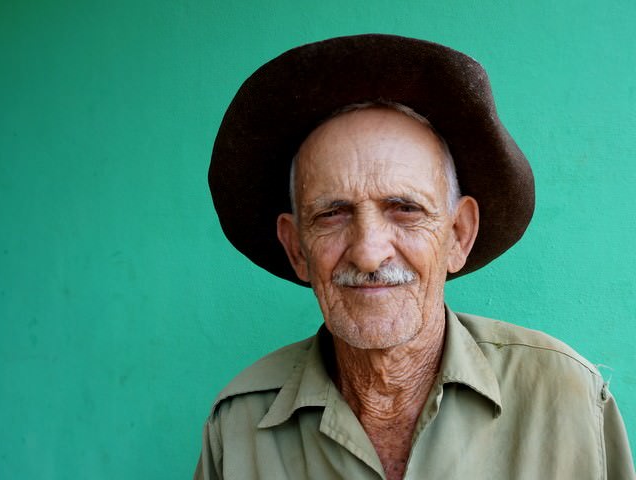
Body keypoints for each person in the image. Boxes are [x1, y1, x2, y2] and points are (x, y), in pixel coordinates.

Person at [196, 34, 635, 479]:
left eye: (405, 209)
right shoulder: (239, 426)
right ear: (296, 249)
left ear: (458, 235)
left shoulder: (568, 400)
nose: (368, 253)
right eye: (332, 213)